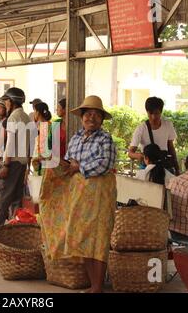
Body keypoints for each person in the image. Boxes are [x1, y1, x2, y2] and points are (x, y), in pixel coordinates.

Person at [39, 95, 117, 293]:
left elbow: (104, 164)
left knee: (98, 239)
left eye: (96, 114)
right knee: (84, 239)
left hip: (99, 197)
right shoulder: (75, 138)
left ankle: (97, 287)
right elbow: (68, 163)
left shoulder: (105, 139)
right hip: (78, 197)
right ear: (82, 117)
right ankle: (93, 285)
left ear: (101, 119)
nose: (91, 118)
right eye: (87, 114)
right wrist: (56, 163)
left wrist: (78, 166)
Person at [0, 87, 31, 237]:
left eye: (6, 101)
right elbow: (29, 143)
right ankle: (16, 226)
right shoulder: (26, 117)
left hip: (12, 162)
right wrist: (27, 164)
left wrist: (6, 164)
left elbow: (10, 143)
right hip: (22, 163)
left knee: (2, 194)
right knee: (16, 197)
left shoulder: (13, 118)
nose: (5, 104)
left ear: (11, 102)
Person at [129, 96, 180, 175]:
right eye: (150, 113)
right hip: (147, 166)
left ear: (161, 112)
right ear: (147, 112)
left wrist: (177, 168)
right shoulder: (141, 128)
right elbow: (130, 153)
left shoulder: (168, 125)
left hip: (164, 166)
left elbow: (171, 148)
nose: (153, 117)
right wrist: (138, 155)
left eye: (156, 113)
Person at [31, 102, 53, 176]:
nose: (33, 113)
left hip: (42, 163)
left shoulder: (44, 126)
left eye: (34, 111)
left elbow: (43, 147)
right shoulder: (46, 124)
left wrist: (38, 159)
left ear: (38, 112)